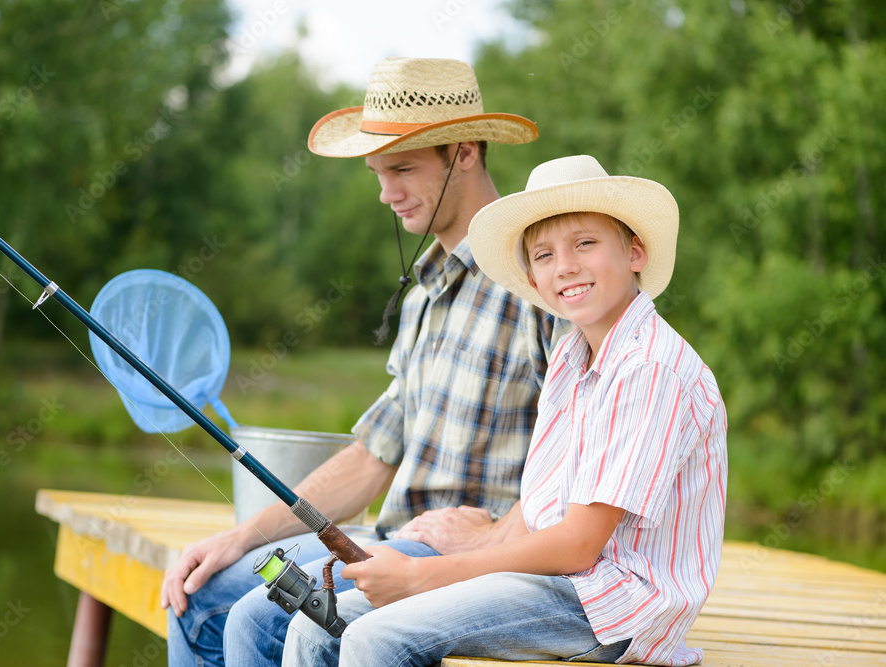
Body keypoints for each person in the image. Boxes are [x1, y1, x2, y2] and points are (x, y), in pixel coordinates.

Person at [161, 57, 569, 667]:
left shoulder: (541, 277)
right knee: (199, 597)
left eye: (402, 168)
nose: (385, 193)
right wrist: (240, 537)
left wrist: (492, 534)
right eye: (378, 172)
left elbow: (585, 447)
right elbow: (371, 455)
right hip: (386, 539)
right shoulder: (424, 297)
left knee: (259, 620)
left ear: (463, 152)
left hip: (471, 557)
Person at [282, 154, 729, 666]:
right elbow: (547, 504)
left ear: (635, 251)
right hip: (556, 583)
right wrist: (458, 549)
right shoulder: (573, 355)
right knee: (317, 626)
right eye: (543, 255)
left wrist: (420, 577)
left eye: (585, 243)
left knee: (375, 638)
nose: (565, 266)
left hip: (612, 605)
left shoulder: (649, 367)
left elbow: (580, 545)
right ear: (534, 280)